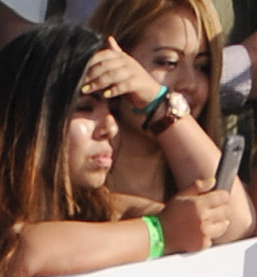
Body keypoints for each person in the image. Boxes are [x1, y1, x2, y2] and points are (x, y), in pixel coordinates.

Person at [0, 14, 239, 277]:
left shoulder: (108, 210)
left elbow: (233, 224)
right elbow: (26, 251)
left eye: (113, 109)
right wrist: (161, 233)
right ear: (28, 121)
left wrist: (158, 103)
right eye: (86, 108)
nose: (110, 127)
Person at [87, 0, 253, 223]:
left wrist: (160, 105)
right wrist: (160, 104)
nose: (190, 82)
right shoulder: (70, 190)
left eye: (203, 67)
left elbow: (238, 222)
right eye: (167, 62)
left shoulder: (203, 179)